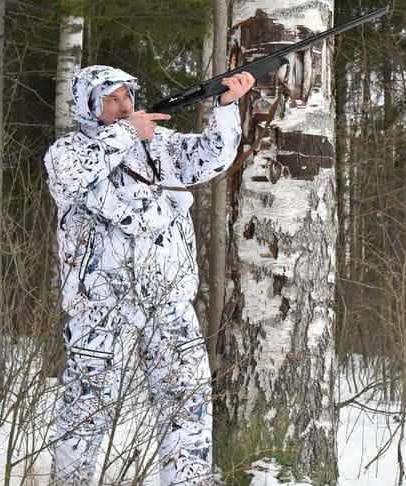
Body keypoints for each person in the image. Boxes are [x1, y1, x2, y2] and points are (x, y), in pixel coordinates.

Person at [43, 65, 254, 485]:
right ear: (89, 104)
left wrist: (227, 106)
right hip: (101, 309)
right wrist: (126, 134)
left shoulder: (158, 143)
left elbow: (209, 158)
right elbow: (69, 178)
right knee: (85, 413)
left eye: (127, 97)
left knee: (187, 408)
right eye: (112, 99)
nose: (125, 107)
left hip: (169, 303)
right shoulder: (67, 151)